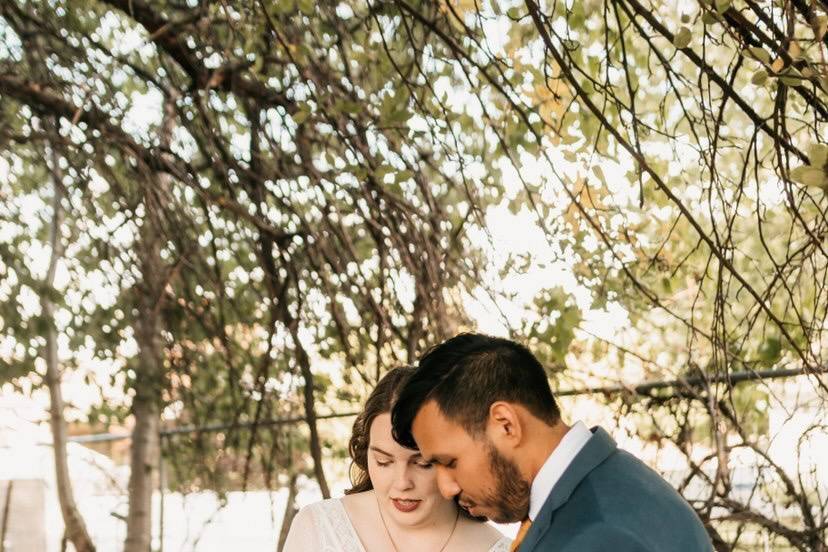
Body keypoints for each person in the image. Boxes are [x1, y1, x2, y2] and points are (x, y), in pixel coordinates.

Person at [391, 333, 714, 552]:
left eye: (449, 462)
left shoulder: (596, 535)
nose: (446, 487)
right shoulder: (614, 481)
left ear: (506, 425)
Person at [282, 366, 511, 552]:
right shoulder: (319, 528)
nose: (402, 482)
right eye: (384, 461)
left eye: (422, 464)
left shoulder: (498, 548)